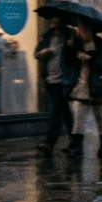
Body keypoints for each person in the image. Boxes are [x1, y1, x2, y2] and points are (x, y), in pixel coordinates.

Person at [63, 21, 102, 158]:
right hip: (81, 85)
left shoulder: (100, 44)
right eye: (79, 30)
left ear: (90, 31)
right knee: (78, 115)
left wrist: (90, 58)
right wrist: (68, 48)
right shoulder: (75, 44)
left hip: (97, 86)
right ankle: (76, 145)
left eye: (84, 30)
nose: (81, 33)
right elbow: (67, 60)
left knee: (100, 116)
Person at [34, 16, 74, 153]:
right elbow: (37, 54)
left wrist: (71, 47)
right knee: (64, 111)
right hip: (50, 78)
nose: (55, 24)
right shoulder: (48, 36)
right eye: (53, 22)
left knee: (57, 109)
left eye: (58, 22)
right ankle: (75, 140)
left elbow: (75, 56)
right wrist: (42, 53)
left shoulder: (71, 36)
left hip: (64, 79)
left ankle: (50, 142)